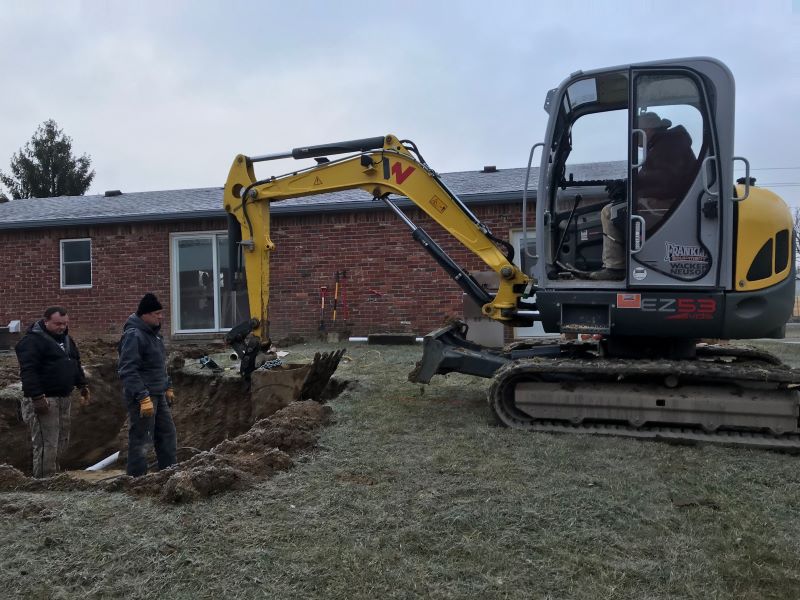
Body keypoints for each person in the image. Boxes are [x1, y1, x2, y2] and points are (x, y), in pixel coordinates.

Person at [591, 111, 696, 280]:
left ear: (646, 131)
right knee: (619, 208)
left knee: (609, 212)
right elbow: (657, 178)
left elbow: (663, 182)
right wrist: (629, 186)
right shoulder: (669, 144)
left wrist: (630, 188)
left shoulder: (667, 147)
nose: (638, 144)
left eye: (637, 137)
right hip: (676, 201)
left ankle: (615, 267)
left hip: (669, 204)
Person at [15, 306, 89, 478]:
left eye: (65, 323)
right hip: (46, 399)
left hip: (64, 398)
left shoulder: (66, 340)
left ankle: (55, 478)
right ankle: (43, 483)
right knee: (46, 443)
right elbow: (28, 371)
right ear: (46, 321)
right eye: (57, 324)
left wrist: (82, 385)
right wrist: (37, 397)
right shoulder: (32, 341)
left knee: (61, 440)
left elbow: (74, 363)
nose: (62, 327)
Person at [117, 292, 177, 477]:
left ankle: (169, 475)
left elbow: (158, 365)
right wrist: (142, 396)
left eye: (161, 313)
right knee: (141, 439)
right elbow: (127, 370)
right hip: (143, 397)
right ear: (145, 315)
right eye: (156, 313)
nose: (161, 317)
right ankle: (136, 480)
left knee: (167, 434)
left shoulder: (154, 336)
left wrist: (167, 386)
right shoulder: (134, 336)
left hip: (158, 393)